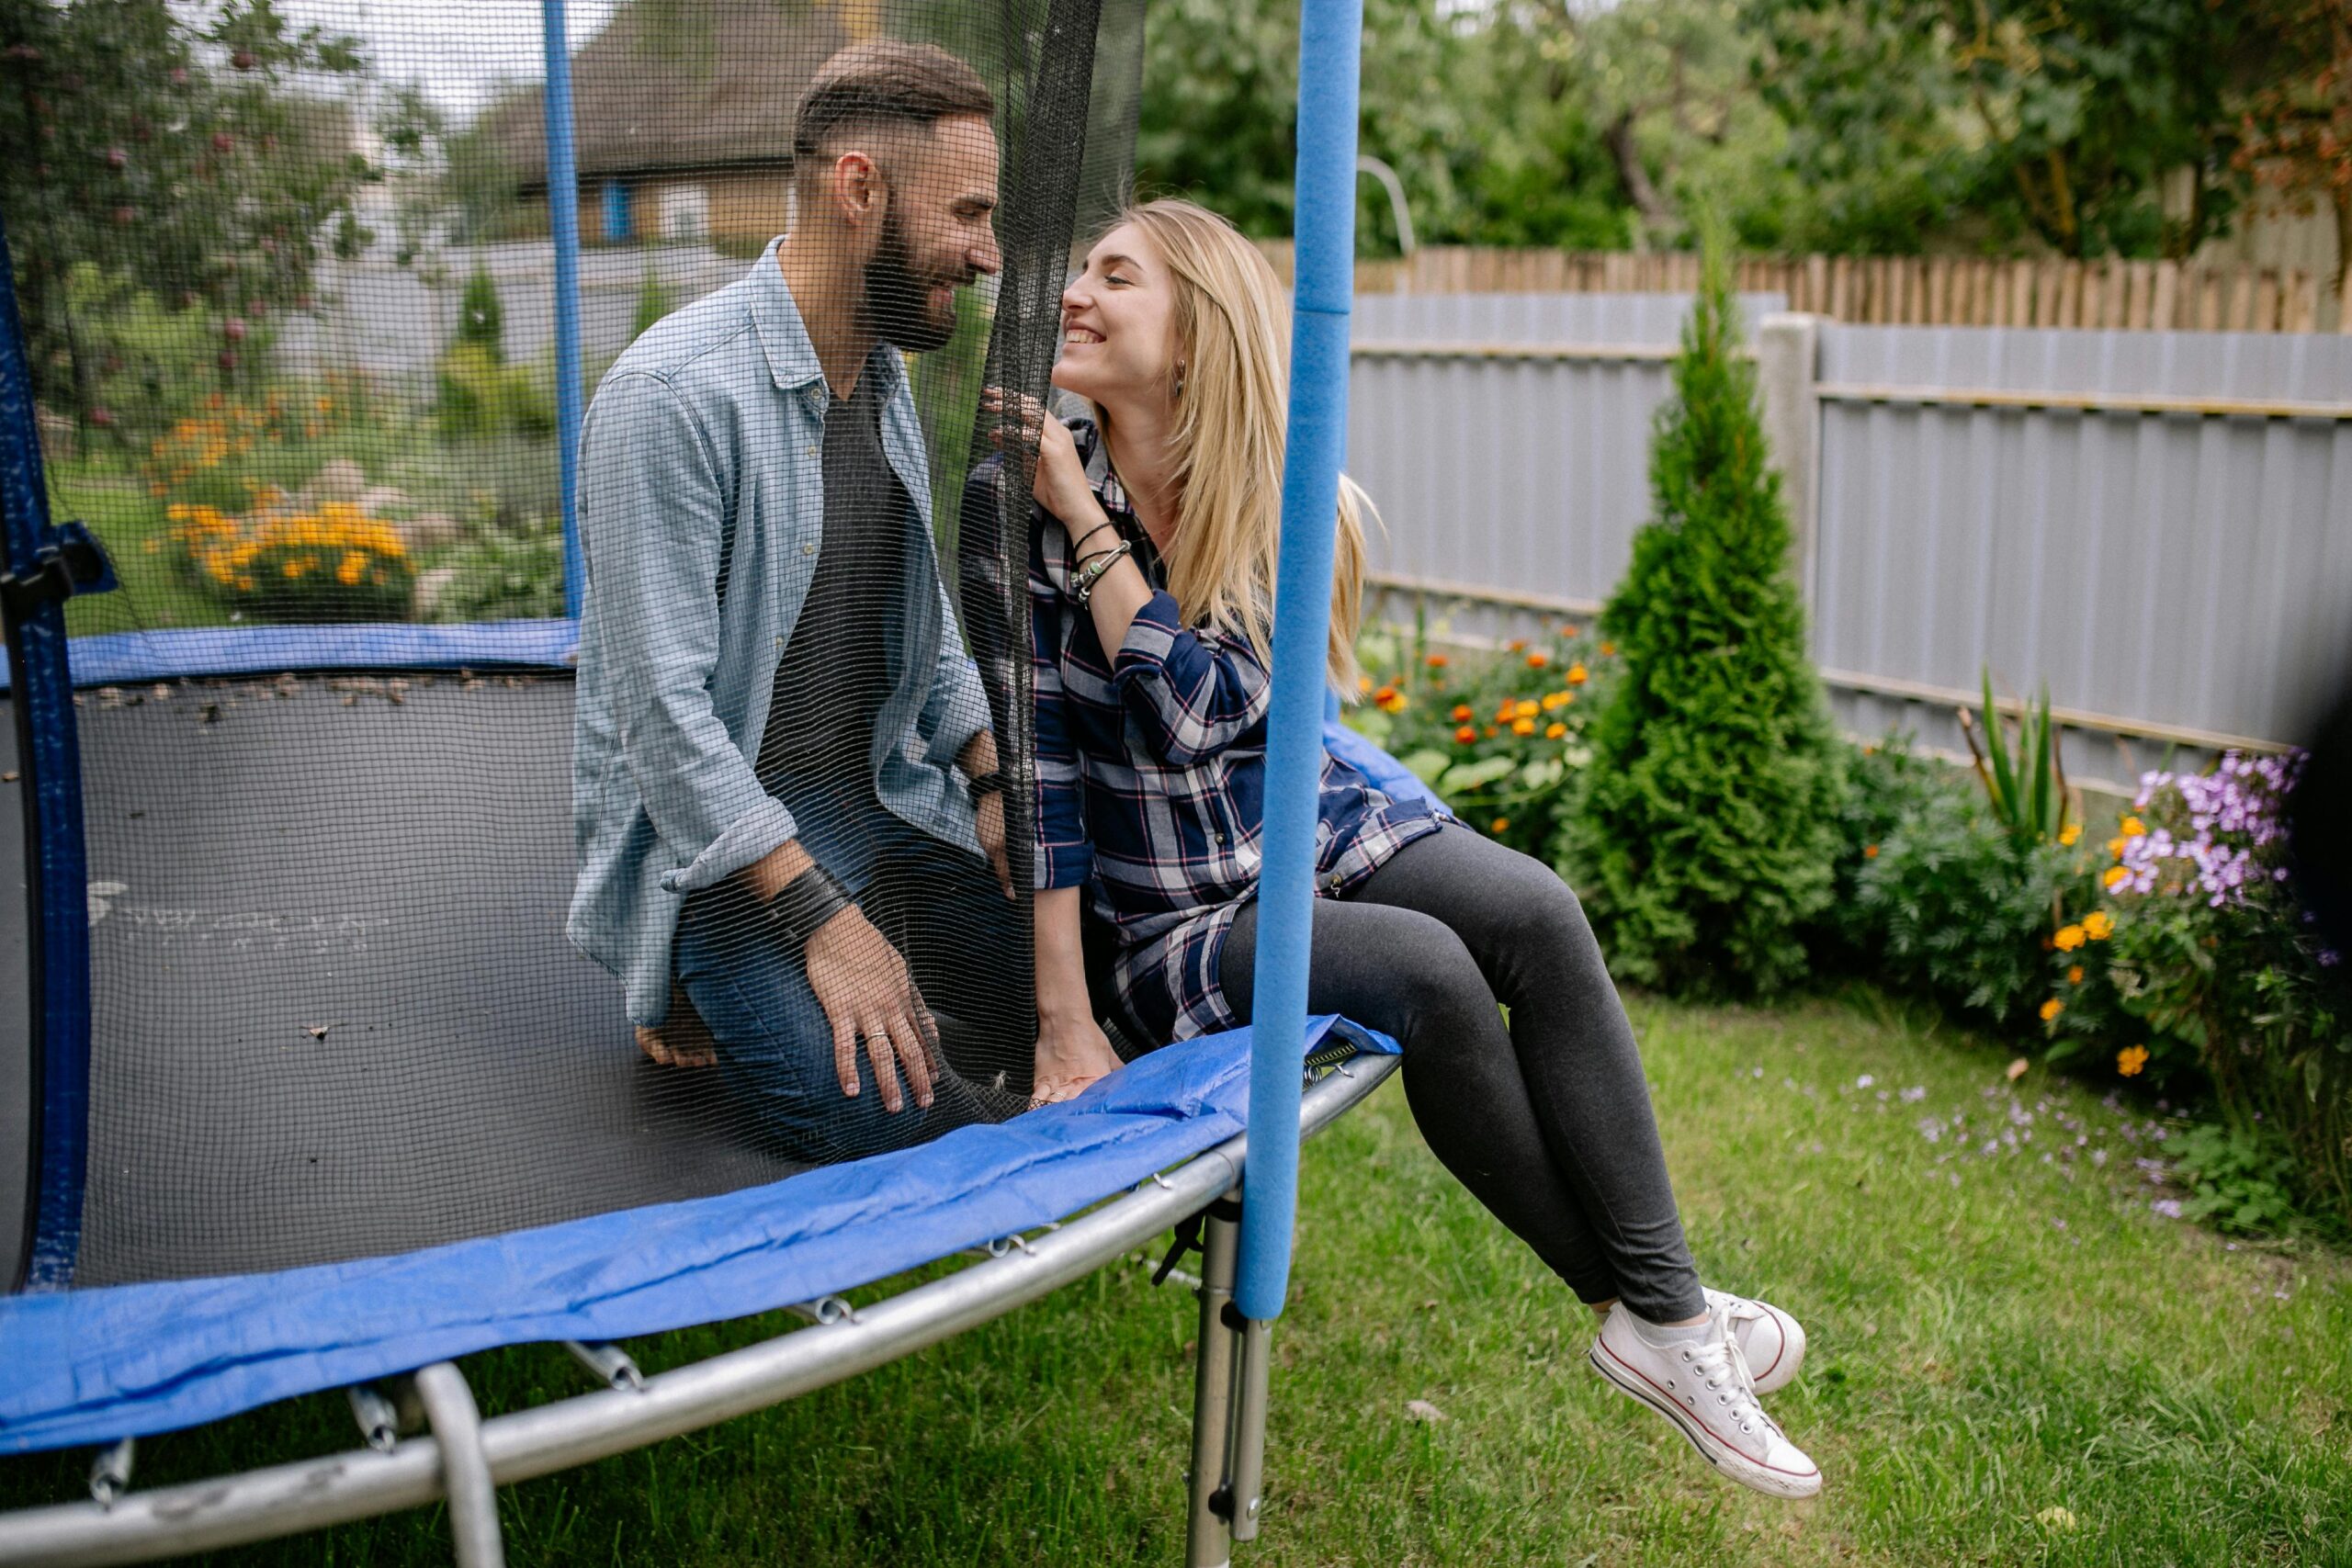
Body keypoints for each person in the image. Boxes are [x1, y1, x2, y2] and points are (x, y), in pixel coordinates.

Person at [993, 197, 1824, 1499]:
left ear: (1199, 337)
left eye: (1116, 275)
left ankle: (1662, 1316)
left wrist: (1096, 530)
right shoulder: (1037, 517)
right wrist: (1061, 1017)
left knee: (1538, 913)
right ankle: (1667, 1320)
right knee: (1428, 973)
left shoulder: (1284, 504)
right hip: (1179, 926)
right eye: (1079, 268)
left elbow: (1208, 708)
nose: (1077, 295)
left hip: (1310, 833)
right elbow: (1053, 774)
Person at [569, 40, 1096, 1164]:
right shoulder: (668, 400)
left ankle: (1051, 1121)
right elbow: (663, 723)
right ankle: (1077, 1149)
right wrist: (824, 924)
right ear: (861, 190)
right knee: (859, 1102)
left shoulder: (881, 370)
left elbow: (924, 620)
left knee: (1085, 971)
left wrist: (990, 782)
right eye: (967, 213)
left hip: (885, 814)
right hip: (737, 873)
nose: (989, 255)